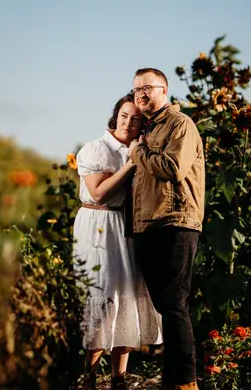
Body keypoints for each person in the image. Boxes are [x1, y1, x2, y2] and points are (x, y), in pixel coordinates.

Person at [73, 94, 163, 390]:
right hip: (97, 225)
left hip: (124, 226)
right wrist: (129, 164)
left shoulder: (137, 149)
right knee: (101, 296)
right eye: (125, 115)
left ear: (142, 125)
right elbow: (98, 193)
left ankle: (119, 379)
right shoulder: (96, 149)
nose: (128, 122)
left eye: (136, 119)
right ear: (116, 116)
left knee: (125, 294)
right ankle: (89, 377)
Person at [128, 68, 205, 390]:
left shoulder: (180, 124)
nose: (141, 94)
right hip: (148, 226)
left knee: (174, 304)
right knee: (165, 306)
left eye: (147, 88)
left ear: (164, 90)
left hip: (176, 221)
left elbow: (173, 168)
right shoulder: (147, 129)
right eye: (135, 91)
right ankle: (172, 378)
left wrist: (139, 152)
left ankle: (186, 382)